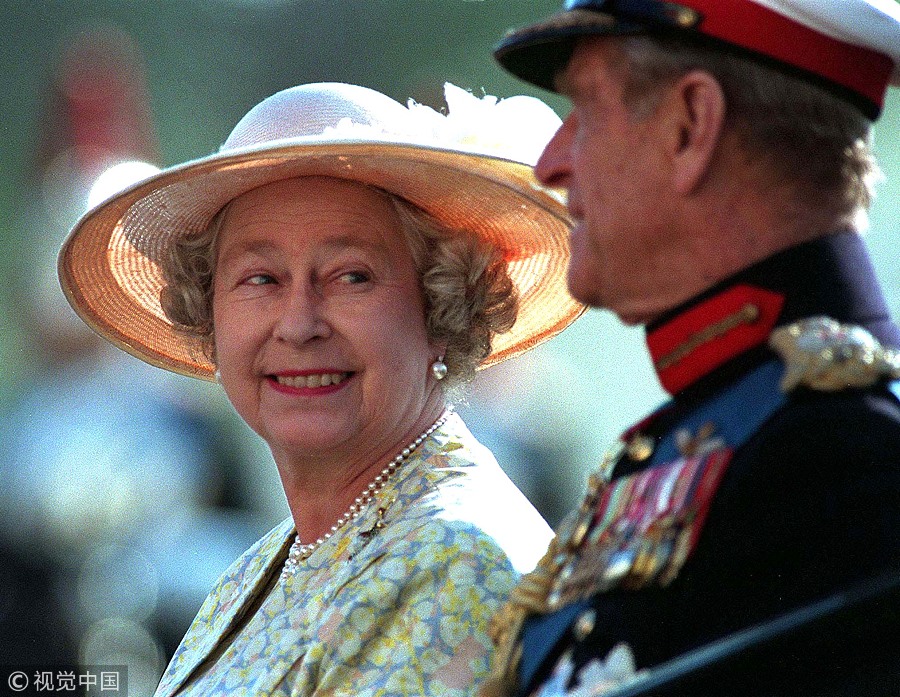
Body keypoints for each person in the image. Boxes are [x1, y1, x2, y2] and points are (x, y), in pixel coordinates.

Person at [58, 81, 585, 696]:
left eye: (351, 276)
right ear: (210, 315)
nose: (299, 323)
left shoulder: (455, 558)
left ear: (442, 307)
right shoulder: (260, 571)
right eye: (260, 278)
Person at [482, 1, 900, 696]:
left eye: (584, 111)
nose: (551, 162)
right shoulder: (738, 432)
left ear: (689, 128)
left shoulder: (849, 457)